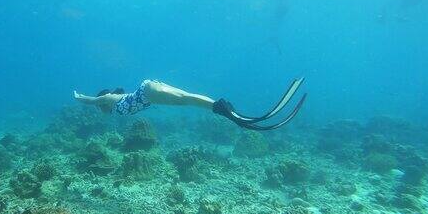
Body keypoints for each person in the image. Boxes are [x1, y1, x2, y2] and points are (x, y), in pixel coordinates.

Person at [73, 79, 306, 130]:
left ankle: (227, 112)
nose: (98, 108)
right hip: (149, 90)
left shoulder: (107, 100)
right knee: (187, 99)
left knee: (186, 101)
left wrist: (78, 96)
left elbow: (90, 101)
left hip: (148, 93)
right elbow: (104, 115)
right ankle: (226, 110)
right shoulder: (112, 107)